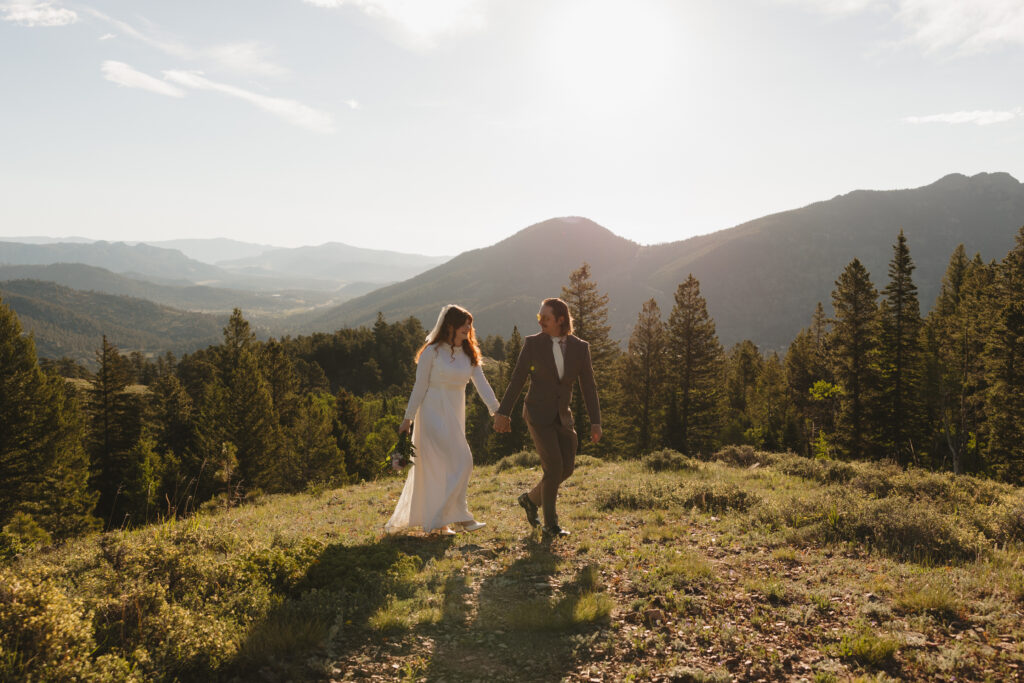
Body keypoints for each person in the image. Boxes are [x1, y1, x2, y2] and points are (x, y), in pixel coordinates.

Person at [385, 304, 500, 535]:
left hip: (455, 415)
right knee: (463, 461)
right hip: (431, 414)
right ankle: (461, 518)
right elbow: (419, 386)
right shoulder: (431, 352)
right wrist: (407, 419)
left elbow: (483, 385)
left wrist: (497, 411)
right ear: (450, 326)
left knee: (449, 466)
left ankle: (441, 523)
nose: (468, 329)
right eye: (463, 326)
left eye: (469, 326)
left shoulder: (469, 355)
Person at [493, 297, 601, 537]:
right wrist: (503, 412)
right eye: (539, 317)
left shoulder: (580, 348)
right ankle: (551, 525)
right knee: (553, 468)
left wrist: (596, 421)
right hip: (537, 414)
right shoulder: (533, 344)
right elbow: (518, 379)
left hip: (563, 416)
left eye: (546, 318)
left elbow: (589, 386)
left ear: (560, 320)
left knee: (567, 468)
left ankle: (530, 500)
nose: (540, 321)